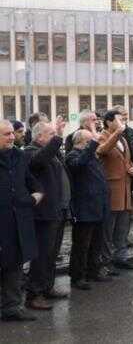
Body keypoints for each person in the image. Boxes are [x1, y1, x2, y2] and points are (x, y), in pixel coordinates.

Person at [24, 118, 69, 311]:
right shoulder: (30, 152)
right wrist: (58, 135)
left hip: (56, 210)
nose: (53, 139)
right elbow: (40, 160)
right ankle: (34, 294)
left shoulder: (50, 152)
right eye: (50, 135)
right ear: (39, 136)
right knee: (41, 256)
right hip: (42, 214)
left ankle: (47, 287)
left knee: (51, 254)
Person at [0, 120, 43, 322]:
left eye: (11, 133)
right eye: (6, 134)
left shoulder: (19, 156)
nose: (11, 137)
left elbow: (30, 180)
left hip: (19, 220)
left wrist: (36, 195)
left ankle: (12, 307)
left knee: (15, 265)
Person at [65, 129, 111, 290]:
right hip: (84, 208)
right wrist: (93, 145)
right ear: (83, 142)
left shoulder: (90, 155)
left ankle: (93, 270)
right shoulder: (72, 156)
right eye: (90, 140)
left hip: (98, 206)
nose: (94, 142)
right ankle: (77, 276)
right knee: (81, 245)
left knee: (96, 243)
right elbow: (78, 165)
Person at [97, 110, 133, 269]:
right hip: (112, 191)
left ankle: (121, 258)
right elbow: (103, 150)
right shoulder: (103, 136)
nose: (123, 122)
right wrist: (117, 133)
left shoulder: (123, 139)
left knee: (122, 228)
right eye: (120, 119)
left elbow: (127, 162)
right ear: (109, 122)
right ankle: (106, 262)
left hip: (125, 190)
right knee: (108, 229)